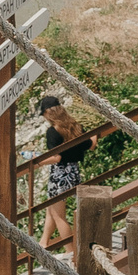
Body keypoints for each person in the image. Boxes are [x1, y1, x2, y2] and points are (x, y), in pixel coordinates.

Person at [35, 94, 91, 247]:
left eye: (44, 114)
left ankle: (70, 251)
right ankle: (44, 243)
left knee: (58, 215)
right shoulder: (74, 126)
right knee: (51, 210)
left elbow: (56, 158)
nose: (45, 118)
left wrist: (36, 163)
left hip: (60, 174)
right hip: (73, 171)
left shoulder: (53, 131)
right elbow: (89, 144)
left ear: (48, 112)